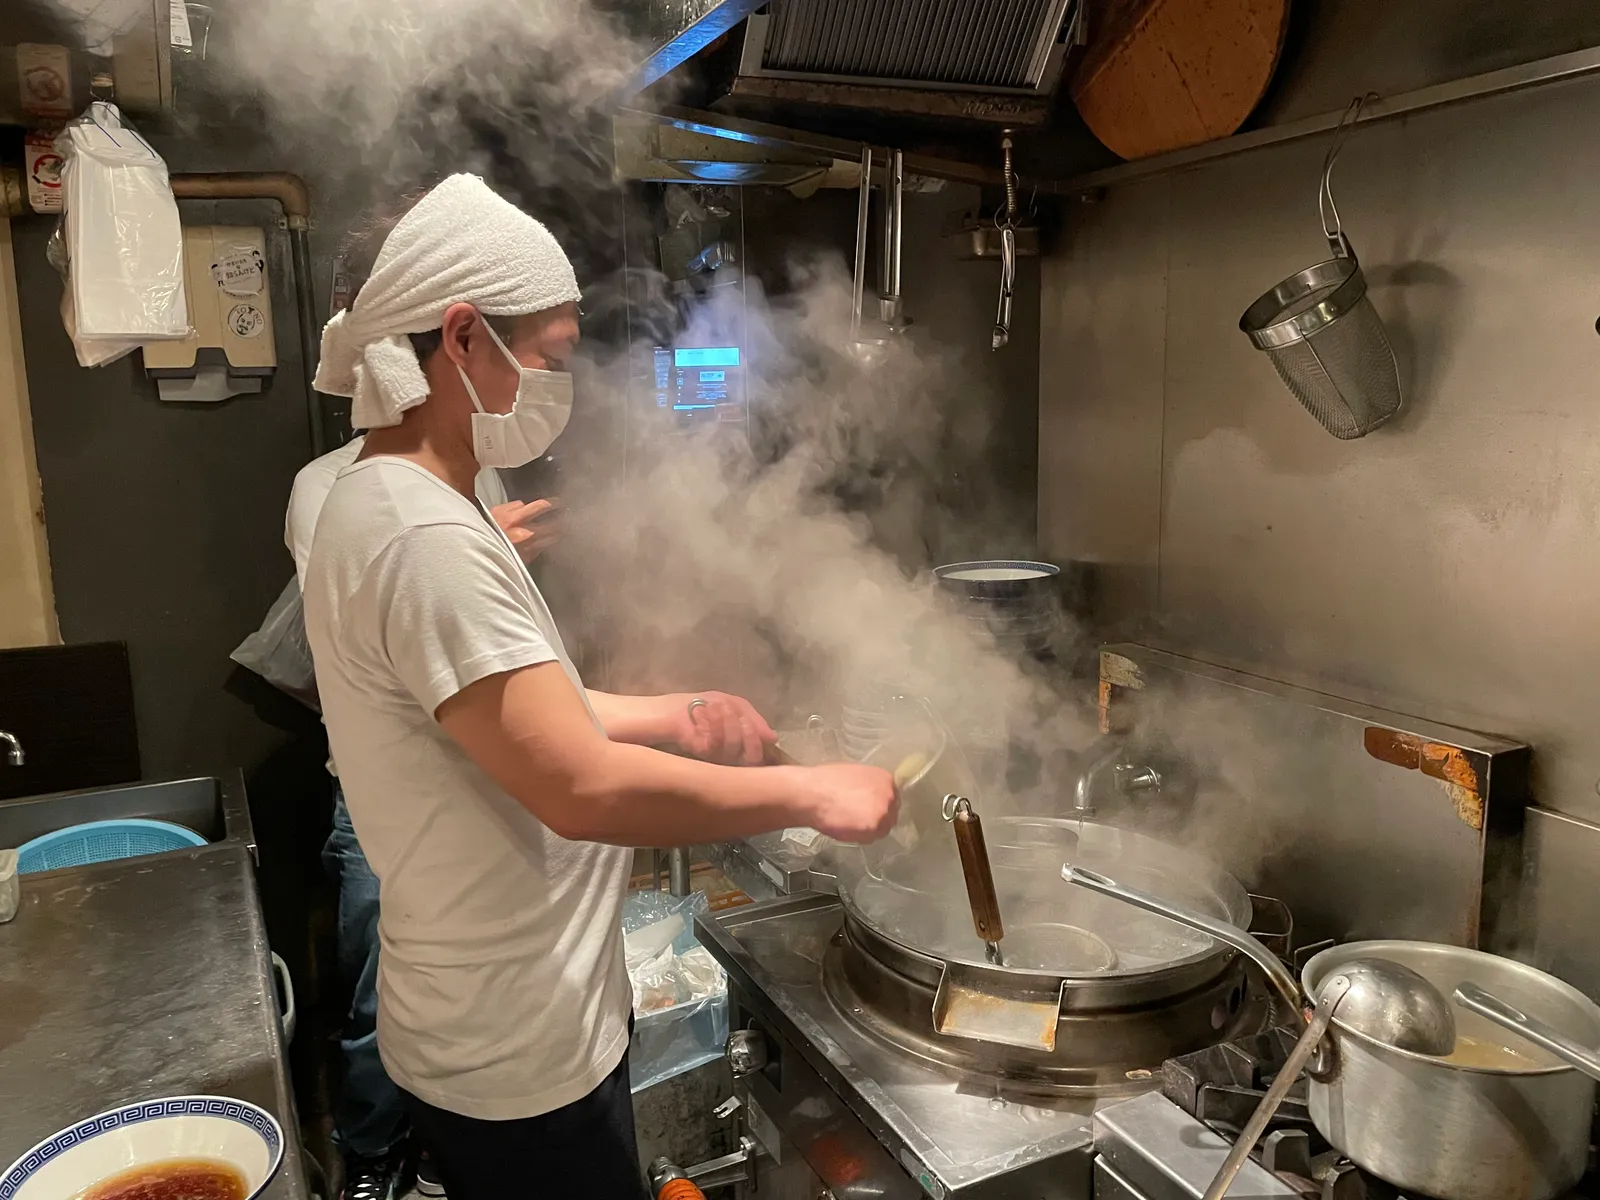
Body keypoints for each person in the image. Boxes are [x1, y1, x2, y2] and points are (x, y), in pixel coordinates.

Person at [300, 174, 899, 1200]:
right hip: (512, 1055)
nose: (558, 386)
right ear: (461, 337)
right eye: (550, 356)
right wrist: (815, 790)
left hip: (514, 1025)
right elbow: (580, 788)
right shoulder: (422, 536)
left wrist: (670, 713)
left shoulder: (393, 498)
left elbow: (515, 718)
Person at [287, 433, 559, 1200]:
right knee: (381, 985)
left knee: (471, 981)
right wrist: (480, 549)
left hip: (480, 773)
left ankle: (449, 1144)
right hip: (389, 786)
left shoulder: (480, 471)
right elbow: (352, 622)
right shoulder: (331, 489)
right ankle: (370, 1151)